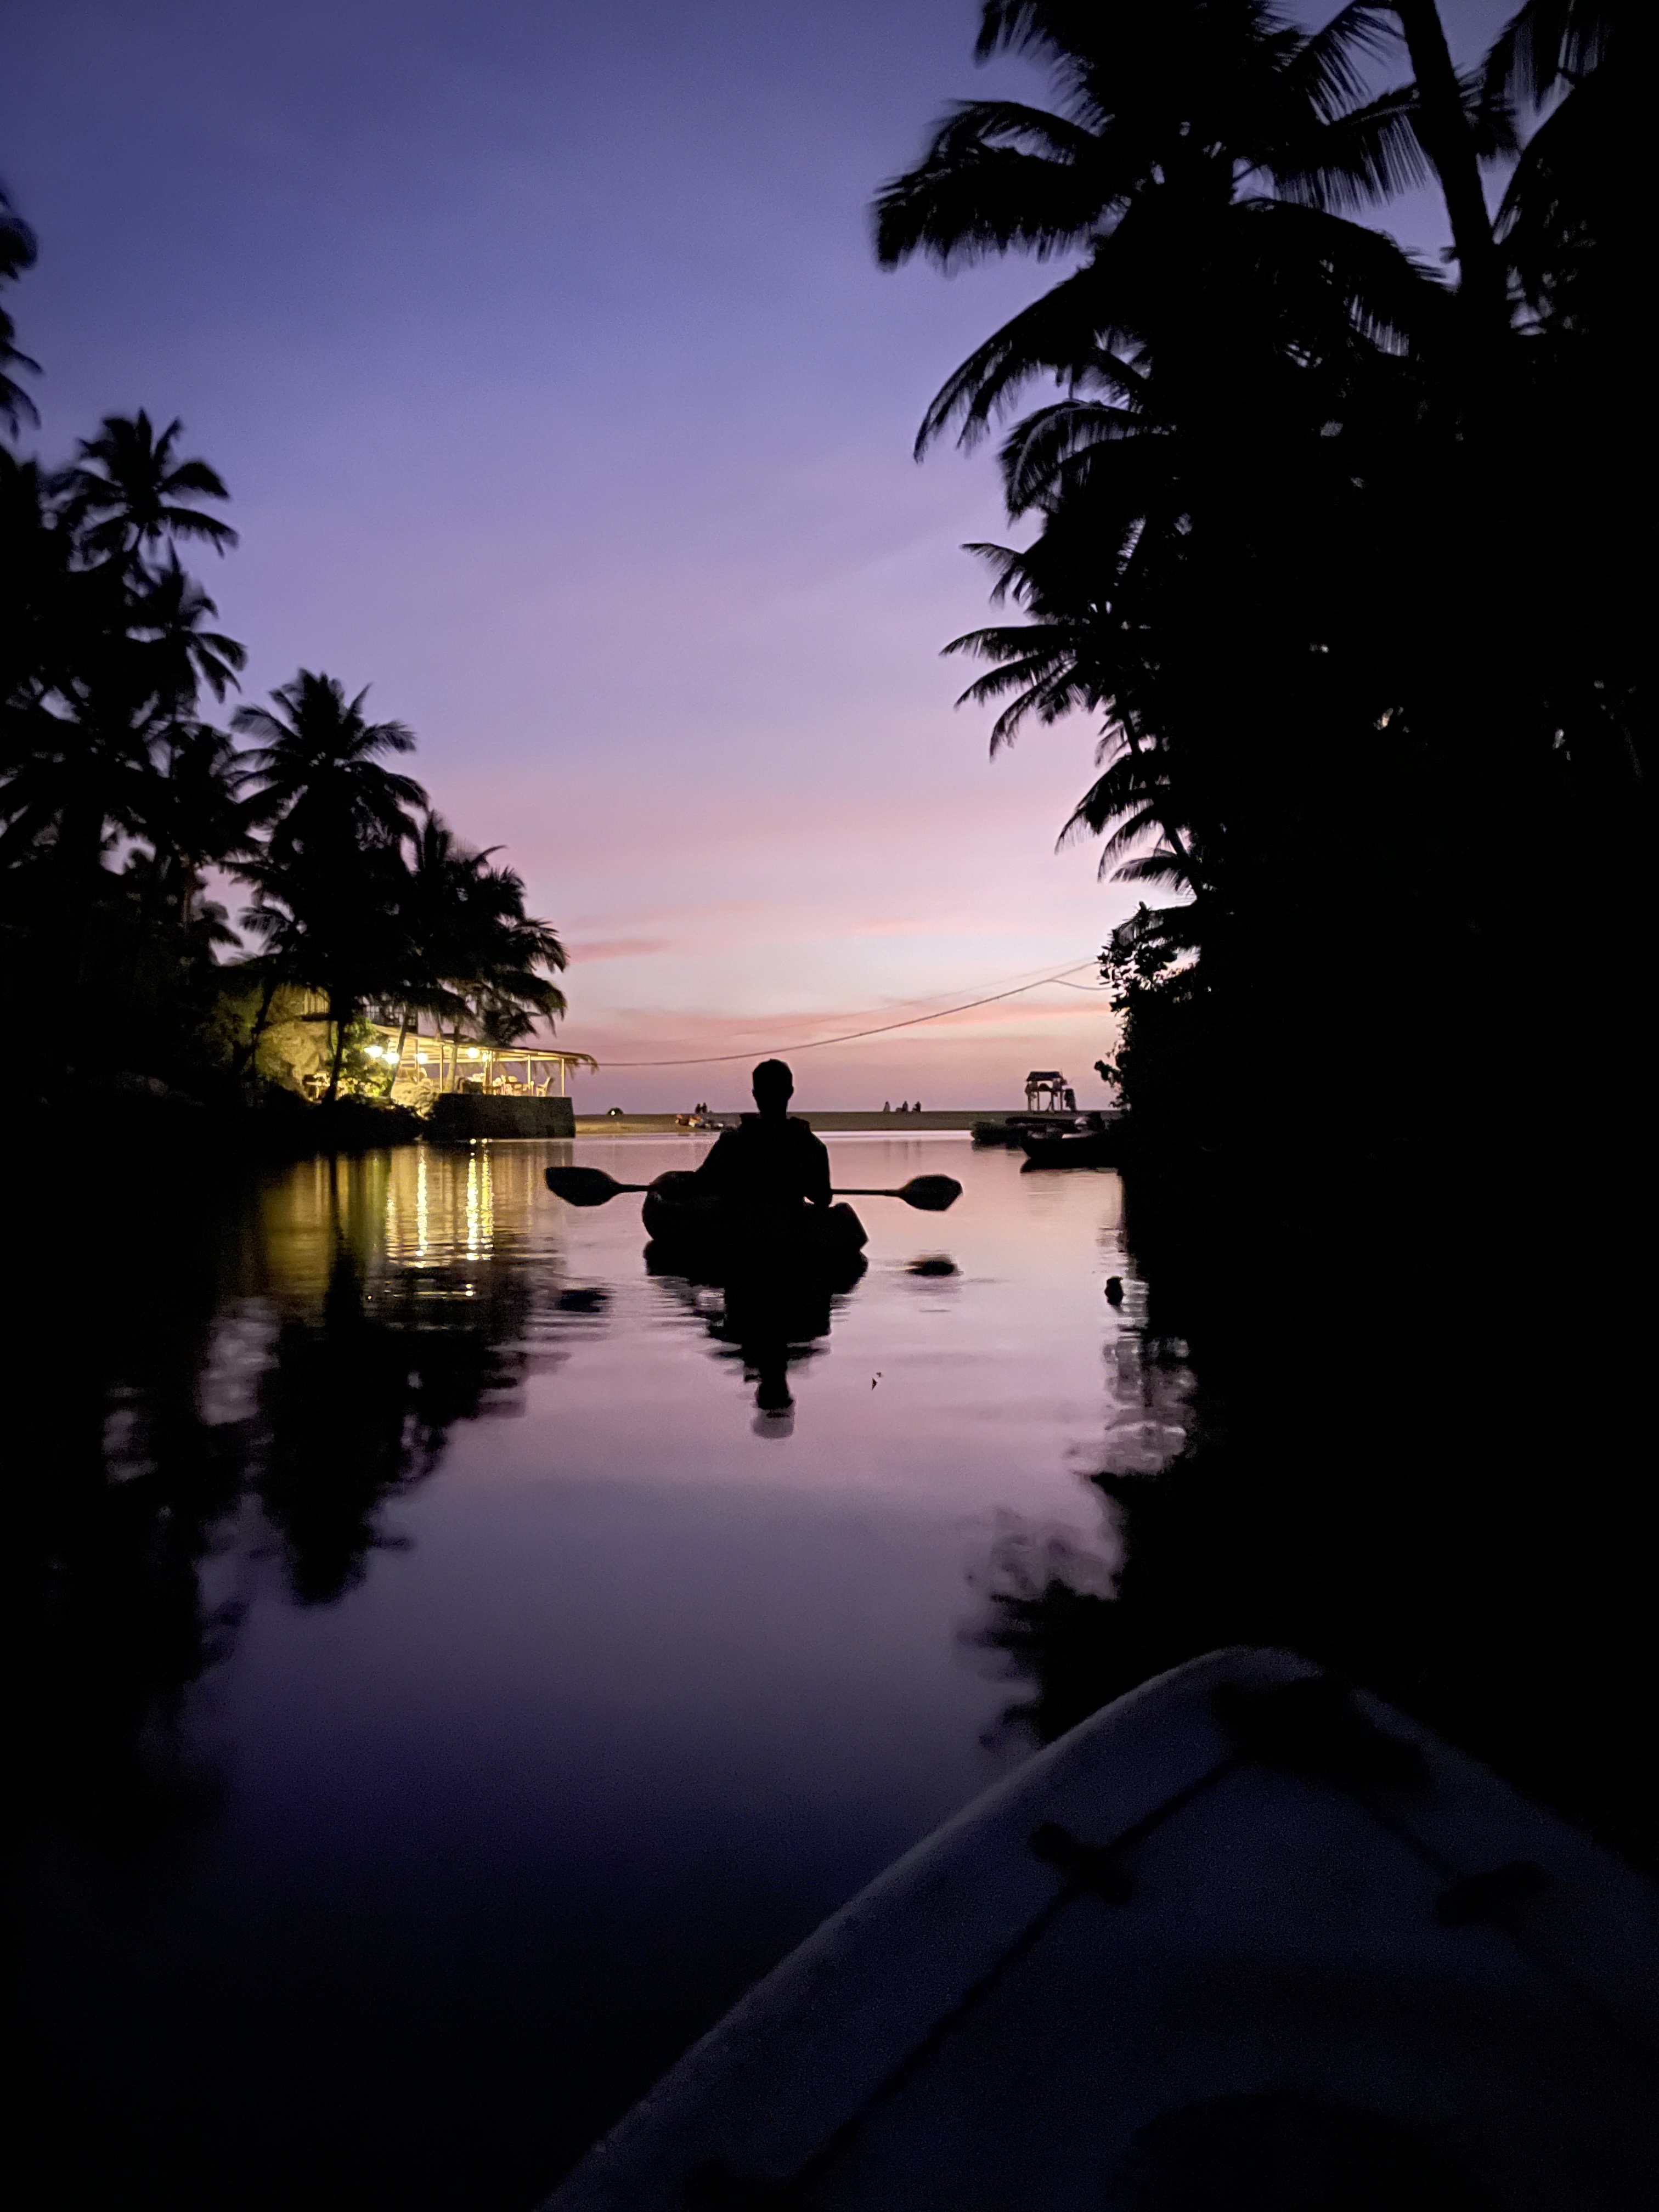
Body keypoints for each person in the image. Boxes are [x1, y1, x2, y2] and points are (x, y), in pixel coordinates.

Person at [693, 1059, 831, 1210]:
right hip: (790, 1228)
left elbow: (702, 1184)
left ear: (755, 1094)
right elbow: (823, 1198)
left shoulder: (732, 1142)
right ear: (790, 1092)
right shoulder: (810, 1145)